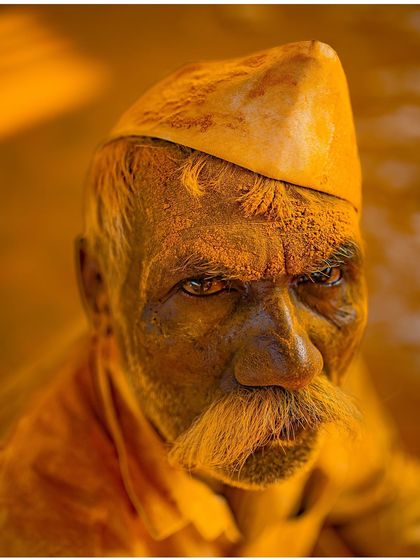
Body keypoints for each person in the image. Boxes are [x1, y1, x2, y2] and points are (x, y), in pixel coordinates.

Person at [0, 40, 419, 557]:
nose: (296, 363)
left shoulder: (319, 349)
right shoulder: (40, 525)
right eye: (207, 286)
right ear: (100, 291)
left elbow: (389, 508)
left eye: (326, 272)